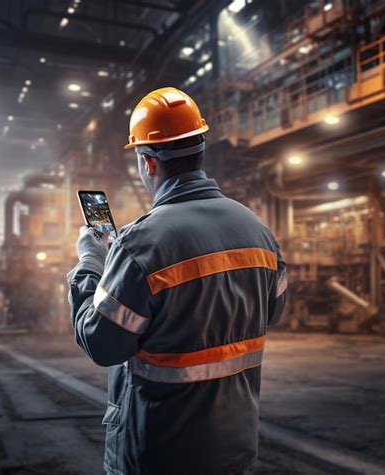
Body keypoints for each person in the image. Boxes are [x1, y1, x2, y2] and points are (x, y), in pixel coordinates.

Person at [67, 87, 288, 475]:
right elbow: (273, 312)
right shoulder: (257, 229)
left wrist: (90, 261)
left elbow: (103, 344)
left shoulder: (140, 244)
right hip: (233, 447)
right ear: (199, 150)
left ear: (149, 163)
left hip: (160, 453)